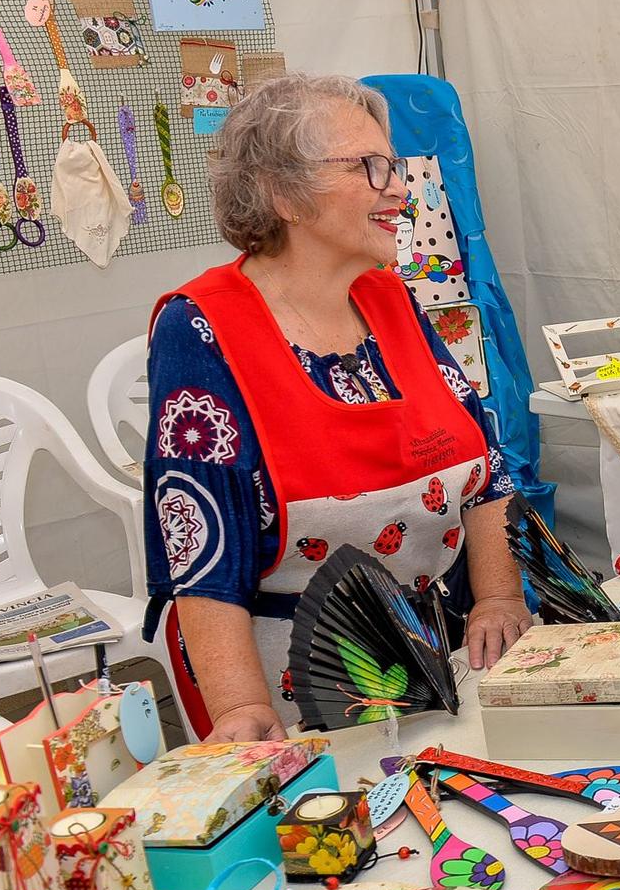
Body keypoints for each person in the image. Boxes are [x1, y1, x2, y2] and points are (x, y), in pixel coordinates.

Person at [143, 73, 532, 742]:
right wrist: (240, 709)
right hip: (306, 694)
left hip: (446, 666)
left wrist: (497, 595)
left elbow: (487, 470)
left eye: (396, 166)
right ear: (281, 192)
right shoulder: (202, 329)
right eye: (370, 167)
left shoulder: (391, 298)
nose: (401, 189)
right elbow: (201, 548)